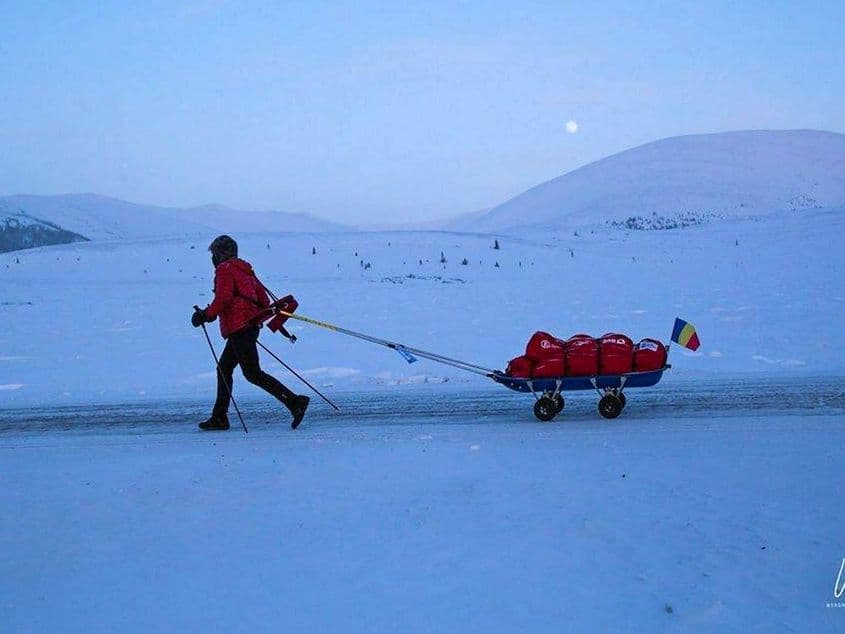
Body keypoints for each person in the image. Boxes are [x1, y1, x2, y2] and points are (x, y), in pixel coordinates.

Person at [191, 235, 309, 430]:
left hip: (239, 329)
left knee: (253, 374)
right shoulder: (246, 270)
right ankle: (219, 417)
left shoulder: (224, 269)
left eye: (213, 253)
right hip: (248, 327)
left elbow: (224, 298)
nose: (212, 258)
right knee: (224, 369)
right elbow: (263, 301)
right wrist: (249, 318)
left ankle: (295, 402)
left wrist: (206, 315)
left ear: (220, 254)